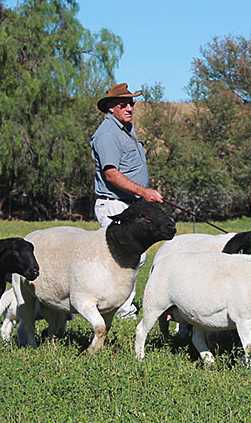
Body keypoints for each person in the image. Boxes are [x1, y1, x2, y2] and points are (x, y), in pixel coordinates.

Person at [90, 83, 163, 319]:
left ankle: (120, 307)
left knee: (136, 257)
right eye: (123, 104)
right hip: (114, 204)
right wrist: (143, 192)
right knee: (122, 258)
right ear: (111, 107)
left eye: (132, 103)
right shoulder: (108, 134)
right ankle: (118, 309)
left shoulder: (126, 129)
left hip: (128, 205)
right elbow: (111, 174)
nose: (129, 107)